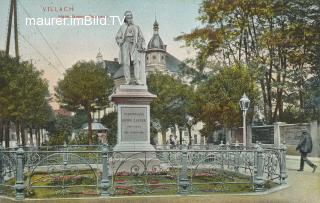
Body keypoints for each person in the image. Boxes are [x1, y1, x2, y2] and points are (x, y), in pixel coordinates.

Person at [115, 10, 146, 85]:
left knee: (136, 62)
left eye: (130, 16)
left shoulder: (137, 27)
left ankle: (137, 79)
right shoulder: (122, 27)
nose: (129, 18)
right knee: (126, 63)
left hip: (134, 45)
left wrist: (142, 45)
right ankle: (127, 80)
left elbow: (141, 37)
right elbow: (117, 37)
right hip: (125, 45)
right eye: (128, 16)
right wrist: (121, 41)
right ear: (125, 18)